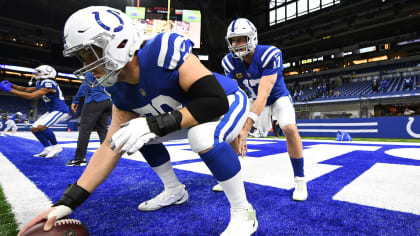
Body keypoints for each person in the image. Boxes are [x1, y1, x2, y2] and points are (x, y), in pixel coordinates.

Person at [18, 6, 257, 236]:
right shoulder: (119, 91)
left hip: (227, 101)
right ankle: (175, 190)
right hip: (185, 115)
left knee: (201, 136)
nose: (86, 65)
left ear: (117, 44)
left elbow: (214, 102)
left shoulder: (162, 52)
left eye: (89, 53)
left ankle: (243, 212)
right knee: (130, 133)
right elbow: (110, 147)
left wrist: (154, 124)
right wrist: (67, 203)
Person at [216, 18, 308, 201]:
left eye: (241, 39)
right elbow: (235, 94)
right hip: (251, 99)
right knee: (229, 129)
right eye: (233, 40)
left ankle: (300, 180)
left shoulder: (269, 54)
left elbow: (264, 95)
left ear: (252, 38)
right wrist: (236, 124)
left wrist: (246, 128)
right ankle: (232, 176)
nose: (236, 44)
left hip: (276, 97)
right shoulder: (228, 62)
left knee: (289, 128)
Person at [0, 65, 70, 158]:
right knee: (34, 128)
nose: (36, 74)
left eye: (39, 72)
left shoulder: (49, 83)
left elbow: (31, 96)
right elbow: (26, 89)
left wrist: (10, 90)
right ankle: (48, 148)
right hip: (51, 111)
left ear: (46, 73)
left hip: (60, 110)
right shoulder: (41, 82)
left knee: (42, 127)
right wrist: (12, 85)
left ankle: (56, 146)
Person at [66, 72, 112, 166]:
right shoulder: (109, 70)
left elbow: (84, 86)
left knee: (84, 130)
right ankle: (108, 157)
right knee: (102, 131)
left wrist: (76, 100)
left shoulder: (94, 70)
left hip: (94, 100)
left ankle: (79, 159)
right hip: (108, 101)